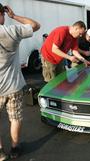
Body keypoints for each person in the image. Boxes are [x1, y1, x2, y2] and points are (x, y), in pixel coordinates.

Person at [0, 3, 40, 160]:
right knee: (15, 118)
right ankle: (15, 148)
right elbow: (35, 25)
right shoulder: (11, 31)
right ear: (2, 14)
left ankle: (1, 152)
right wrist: (14, 16)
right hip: (13, 86)